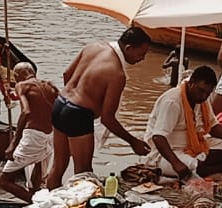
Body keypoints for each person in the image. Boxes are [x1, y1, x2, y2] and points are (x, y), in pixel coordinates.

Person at [45, 27, 152, 189]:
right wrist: (133, 141)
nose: (142, 59)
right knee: (83, 173)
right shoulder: (117, 74)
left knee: (58, 167)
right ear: (129, 48)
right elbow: (108, 119)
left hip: (60, 104)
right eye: (141, 54)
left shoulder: (93, 47)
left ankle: (48, 204)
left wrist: (78, 96)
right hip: (78, 115)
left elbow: (67, 74)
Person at [145, 65, 222, 180]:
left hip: (194, 146)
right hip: (167, 153)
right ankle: (214, 168)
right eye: (201, 91)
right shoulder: (172, 102)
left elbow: (213, 126)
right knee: (195, 167)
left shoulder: (202, 100)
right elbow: (158, 137)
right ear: (191, 82)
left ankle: (212, 166)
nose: (204, 96)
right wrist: (176, 163)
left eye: (208, 93)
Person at [0, 63, 57, 200]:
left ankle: (34, 202)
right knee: (39, 161)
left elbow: (26, 111)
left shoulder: (22, 85)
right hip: (50, 135)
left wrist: (13, 144)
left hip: (33, 136)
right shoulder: (50, 85)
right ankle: (36, 195)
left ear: (18, 75)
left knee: (2, 181)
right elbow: (61, 107)